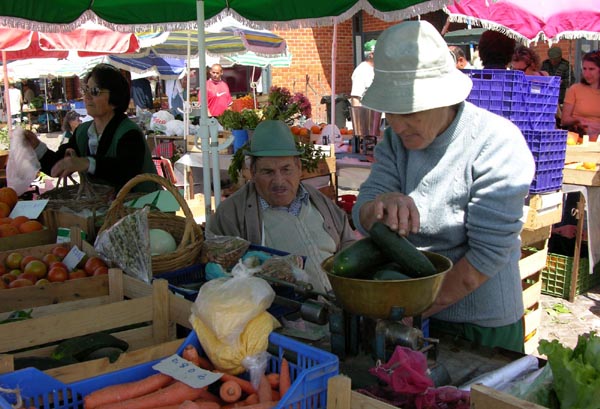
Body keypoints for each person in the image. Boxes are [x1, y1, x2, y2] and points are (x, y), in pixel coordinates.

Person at [352, 20, 535, 353]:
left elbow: (485, 257)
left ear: (444, 98)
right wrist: (378, 205)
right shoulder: (394, 141)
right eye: (391, 111)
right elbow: (361, 211)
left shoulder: (496, 142)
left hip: (478, 325)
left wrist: (413, 311)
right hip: (410, 308)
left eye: (409, 111)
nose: (397, 124)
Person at [209, 120, 355, 294]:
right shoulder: (231, 215)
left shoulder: (319, 202)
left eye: (286, 170)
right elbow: (221, 274)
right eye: (268, 172)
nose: (279, 181)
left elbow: (349, 244)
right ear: (253, 172)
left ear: (298, 167)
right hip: (283, 309)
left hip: (341, 301)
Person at [23, 63, 158, 193]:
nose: (86, 97)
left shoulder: (129, 132)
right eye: (86, 90)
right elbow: (58, 166)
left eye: (95, 91)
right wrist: (36, 146)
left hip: (143, 204)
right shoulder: (83, 132)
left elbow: (125, 171)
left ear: (115, 98)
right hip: (106, 206)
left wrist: (88, 163)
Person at [561, 50, 600, 141]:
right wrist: (579, 120)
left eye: (591, 69)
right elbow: (564, 120)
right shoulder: (575, 89)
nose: (586, 73)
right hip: (579, 138)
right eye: (584, 69)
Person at [350, 39, 376, 106]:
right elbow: (355, 98)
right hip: (368, 111)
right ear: (371, 55)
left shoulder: (380, 69)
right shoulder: (361, 71)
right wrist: (357, 112)